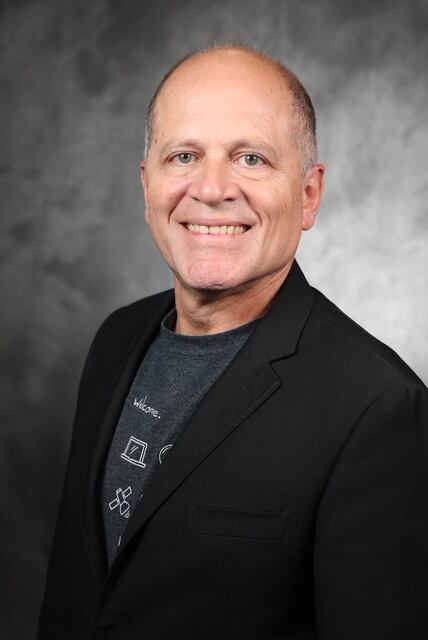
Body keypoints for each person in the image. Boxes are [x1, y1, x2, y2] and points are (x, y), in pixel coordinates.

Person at [37, 44, 428, 640]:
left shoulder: (379, 408)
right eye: (184, 155)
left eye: (251, 158)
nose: (212, 188)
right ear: (147, 186)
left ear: (308, 195)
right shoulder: (116, 338)